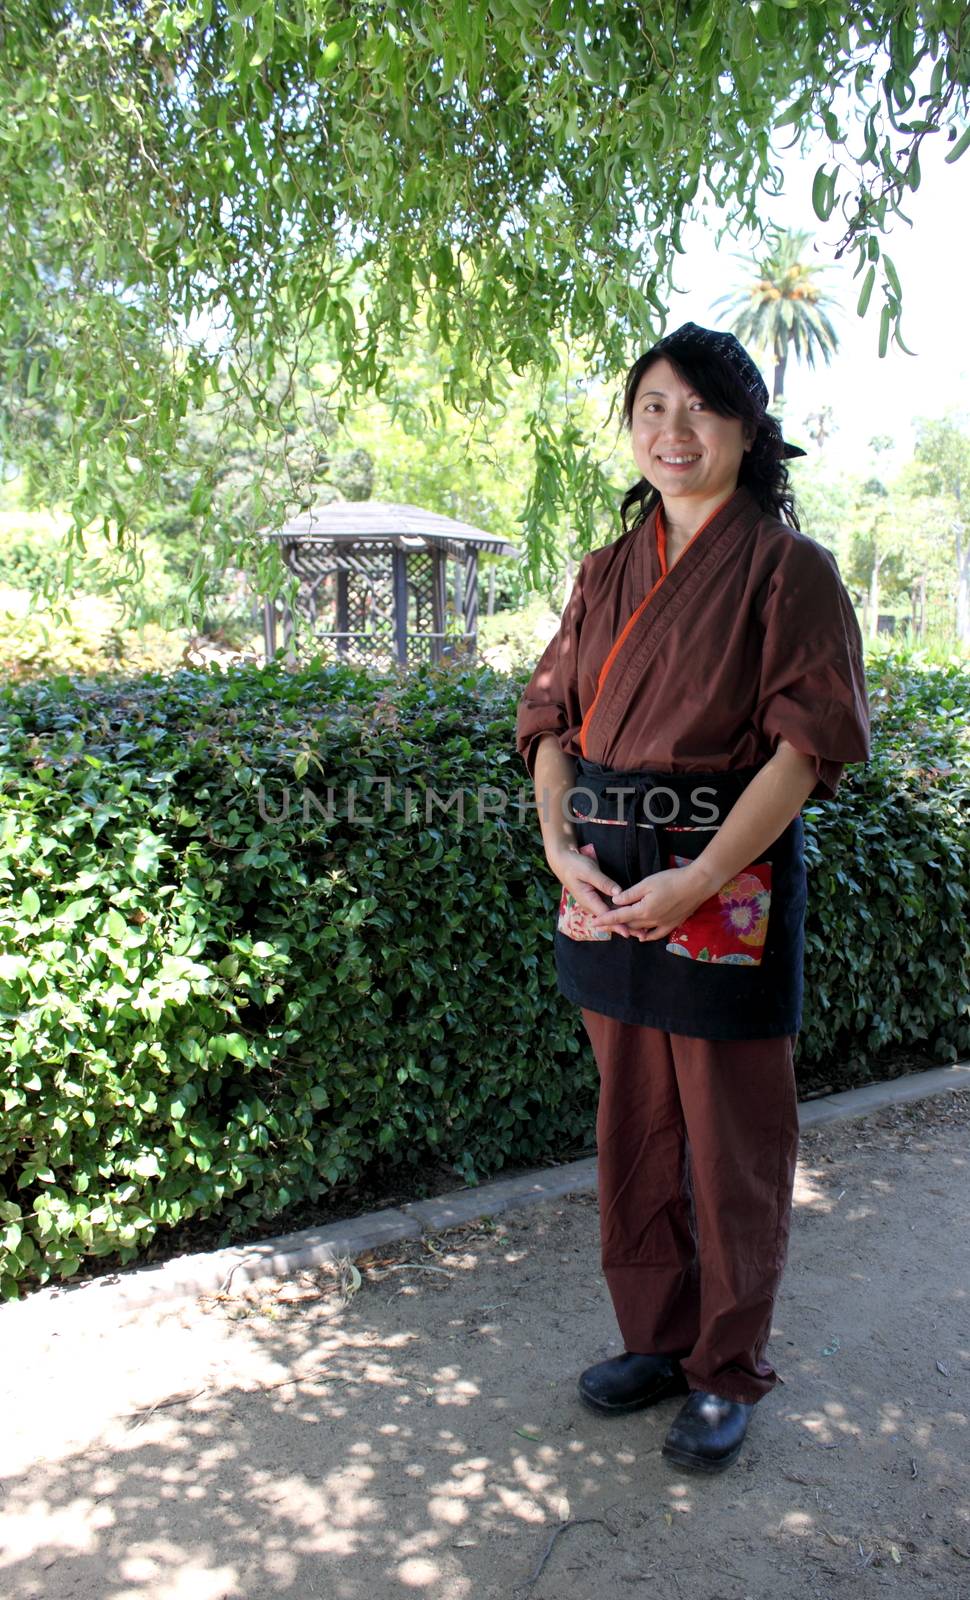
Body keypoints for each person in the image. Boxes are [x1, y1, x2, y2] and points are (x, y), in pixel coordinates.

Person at [515, 322, 871, 1474]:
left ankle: (726, 1366)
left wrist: (702, 875)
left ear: (747, 427)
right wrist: (558, 841)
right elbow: (550, 724)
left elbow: (805, 750)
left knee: (729, 1134)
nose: (671, 432)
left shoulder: (788, 569)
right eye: (651, 408)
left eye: (698, 410)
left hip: (720, 875)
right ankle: (657, 1341)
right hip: (604, 875)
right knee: (634, 1123)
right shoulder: (604, 570)